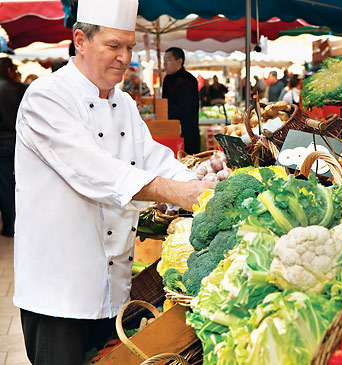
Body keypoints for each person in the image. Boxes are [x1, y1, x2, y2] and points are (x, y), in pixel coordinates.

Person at [13, 1, 215, 364]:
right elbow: (95, 171)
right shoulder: (46, 97)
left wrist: (203, 187)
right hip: (61, 292)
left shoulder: (122, 103)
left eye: (130, 47)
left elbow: (154, 158)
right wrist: (177, 192)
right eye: (113, 46)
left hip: (114, 289)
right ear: (80, 40)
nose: (124, 57)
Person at [0, 58, 26, 237]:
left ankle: (9, 225)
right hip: (17, 142)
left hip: (2, 143)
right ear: (9, 70)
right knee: (18, 184)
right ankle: (15, 224)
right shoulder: (21, 89)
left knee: (5, 185)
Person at [162, 47, 201, 154]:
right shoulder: (167, 79)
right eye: (164, 60)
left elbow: (185, 109)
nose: (164, 64)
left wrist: (165, 109)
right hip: (171, 130)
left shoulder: (188, 80)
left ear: (179, 61)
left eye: (168, 60)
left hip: (187, 133)